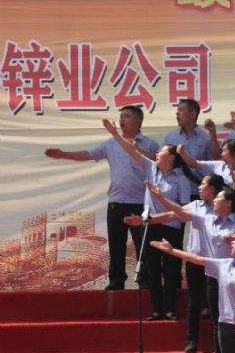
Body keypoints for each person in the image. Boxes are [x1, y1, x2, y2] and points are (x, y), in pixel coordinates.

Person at [146, 178, 235, 353]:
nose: (214, 201)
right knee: (218, 323)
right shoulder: (207, 220)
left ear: (228, 203)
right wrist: (159, 197)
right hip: (213, 277)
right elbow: (179, 212)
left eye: (219, 198)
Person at [44, 106, 159, 290]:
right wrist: (64, 154)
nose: (122, 119)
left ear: (138, 120)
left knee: (142, 246)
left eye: (127, 116)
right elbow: (89, 154)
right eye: (121, 116)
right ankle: (116, 281)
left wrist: (138, 150)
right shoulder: (111, 144)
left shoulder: (150, 144)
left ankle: (145, 282)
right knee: (116, 245)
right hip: (116, 203)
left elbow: (159, 162)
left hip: (140, 203)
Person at [102, 119, 193, 321]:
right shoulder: (151, 168)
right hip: (150, 228)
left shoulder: (181, 178)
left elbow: (183, 211)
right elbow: (132, 151)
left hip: (171, 228)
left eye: (161, 152)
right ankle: (156, 309)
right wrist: (115, 134)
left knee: (171, 270)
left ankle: (170, 309)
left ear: (171, 158)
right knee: (152, 269)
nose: (157, 153)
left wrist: (154, 217)